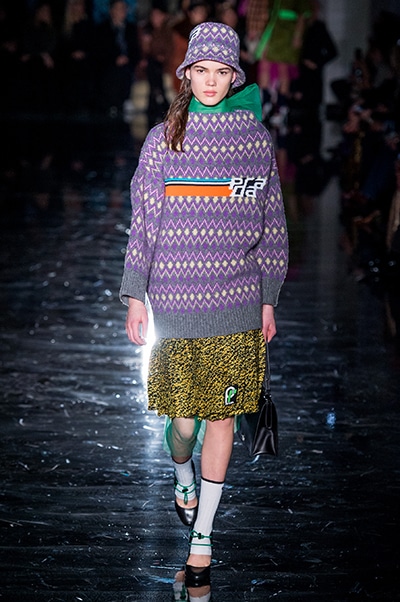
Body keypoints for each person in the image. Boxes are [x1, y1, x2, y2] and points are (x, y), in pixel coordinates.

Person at [120, 21, 288, 588]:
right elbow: (145, 222)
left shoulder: (254, 140)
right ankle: (182, 474)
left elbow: (271, 224)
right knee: (184, 426)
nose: (211, 81)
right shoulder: (164, 139)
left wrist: (268, 297)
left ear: (233, 76)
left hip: (237, 300)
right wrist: (135, 294)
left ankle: (203, 539)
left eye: (221, 71)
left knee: (222, 417)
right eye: (202, 70)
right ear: (186, 74)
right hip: (174, 299)